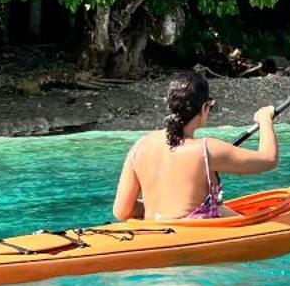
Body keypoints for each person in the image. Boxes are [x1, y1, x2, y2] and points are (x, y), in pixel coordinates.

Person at [112, 71, 277, 221]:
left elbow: (122, 212)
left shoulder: (140, 146)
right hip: (193, 236)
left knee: (222, 209)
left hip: (155, 232)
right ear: (205, 107)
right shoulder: (207, 149)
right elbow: (269, 159)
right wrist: (265, 120)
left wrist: (162, 207)